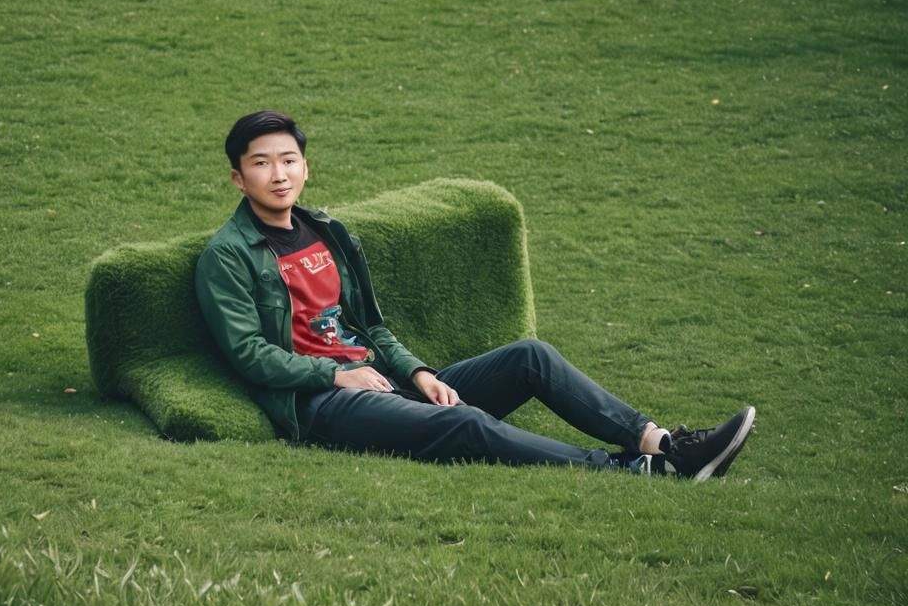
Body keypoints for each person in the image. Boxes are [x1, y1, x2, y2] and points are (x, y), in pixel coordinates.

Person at [195, 111, 755, 480]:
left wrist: (419, 374)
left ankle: (664, 444)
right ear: (239, 179)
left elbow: (373, 326)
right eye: (261, 163)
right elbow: (248, 354)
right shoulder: (228, 255)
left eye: (288, 159)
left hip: (382, 380)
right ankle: (623, 470)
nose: (278, 174)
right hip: (322, 406)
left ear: (305, 166)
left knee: (529, 356)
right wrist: (335, 376)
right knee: (466, 425)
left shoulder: (327, 232)